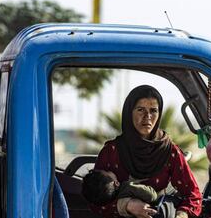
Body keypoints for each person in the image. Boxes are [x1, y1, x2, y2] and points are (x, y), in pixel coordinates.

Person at [92, 85, 202, 218]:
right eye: (140, 110)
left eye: (153, 111)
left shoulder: (169, 151)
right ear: (129, 112)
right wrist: (127, 205)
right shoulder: (111, 151)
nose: (147, 117)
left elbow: (193, 195)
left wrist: (181, 214)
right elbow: (94, 201)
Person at [82, 169, 158, 206]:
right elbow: (152, 196)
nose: (109, 170)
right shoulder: (129, 187)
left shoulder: (109, 202)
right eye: (107, 172)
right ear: (117, 183)